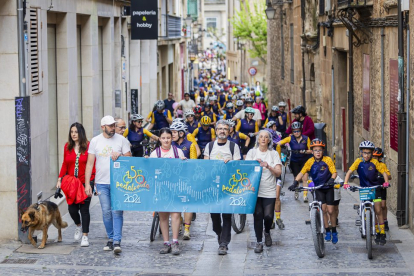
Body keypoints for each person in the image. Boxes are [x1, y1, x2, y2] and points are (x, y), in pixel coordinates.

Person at [84, 115, 132, 254]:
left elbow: (130, 158)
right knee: (106, 212)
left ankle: (117, 241)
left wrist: (120, 155)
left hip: (118, 182)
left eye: (114, 125)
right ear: (103, 127)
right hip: (101, 182)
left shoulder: (122, 140)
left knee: (117, 211)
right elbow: (90, 163)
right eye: (110, 126)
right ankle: (111, 238)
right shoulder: (95, 141)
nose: (113, 128)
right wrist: (88, 184)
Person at [288, 139, 339, 244]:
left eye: (320, 150)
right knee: (323, 210)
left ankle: (334, 230)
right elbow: (302, 173)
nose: (318, 152)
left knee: (330, 210)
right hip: (318, 188)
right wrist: (295, 182)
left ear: (323, 151)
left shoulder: (328, 160)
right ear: (312, 151)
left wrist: (331, 180)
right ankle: (327, 230)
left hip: (328, 188)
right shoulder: (310, 162)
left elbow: (334, 172)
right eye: (315, 150)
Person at [204, 120, 242, 255]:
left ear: (229, 131)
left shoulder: (233, 147)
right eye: (220, 128)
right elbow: (205, 165)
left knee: (226, 215)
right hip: (213, 186)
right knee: (215, 218)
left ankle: (224, 244)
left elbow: (238, 164)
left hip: (228, 186)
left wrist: (231, 163)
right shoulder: (209, 146)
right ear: (215, 130)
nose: (222, 131)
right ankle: (219, 233)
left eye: (225, 129)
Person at [343, 141, 390, 245]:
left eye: (369, 153)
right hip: (364, 190)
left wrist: (386, 182)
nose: (367, 155)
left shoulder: (375, 162)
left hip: (375, 189)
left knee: (378, 210)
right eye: (364, 153)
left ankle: (381, 232)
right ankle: (366, 225)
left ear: (372, 153)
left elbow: (383, 172)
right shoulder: (358, 161)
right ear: (361, 153)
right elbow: (350, 171)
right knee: (365, 208)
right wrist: (346, 182)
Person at [149, 128, 187, 255]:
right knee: (163, 216)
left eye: (168, 138)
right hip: (161, 188)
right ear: (159, 139)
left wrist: (184, 162)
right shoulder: (155, 153)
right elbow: (150, 170)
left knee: (176, 214)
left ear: (172, 138)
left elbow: (184, 170)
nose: (166, 140)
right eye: (163, 138)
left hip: (175, 187)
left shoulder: (178, 152)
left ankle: (175, 241)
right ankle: (166, 243)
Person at [57, 122, 95, 247]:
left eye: (76, 132)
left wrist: (90, 183)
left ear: (81, 133)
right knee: (72, 209)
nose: (73, 134)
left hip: (85, 182)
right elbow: (65, 164)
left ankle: (85, 236)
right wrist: (59, 179)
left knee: (84, 209)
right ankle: (78, 225)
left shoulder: (89, 146)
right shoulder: (67, 147)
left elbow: (92, 164)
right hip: (72, 184)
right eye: (72, 132)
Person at [245, 130, 282, 253]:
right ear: (258, 139)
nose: (263, 139)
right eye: (261, 137)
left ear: (269, 140)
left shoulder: (273, 154)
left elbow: (278, 172)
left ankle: (267, 231)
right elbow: (245, 170)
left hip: (269, 189)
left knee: (268, 216)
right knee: (258, 215)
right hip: (254, 190)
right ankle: (259, 241)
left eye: (266, 137)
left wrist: (268, 166)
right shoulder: (252, 152)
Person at [170, 122, 198, 240]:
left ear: (181, 133)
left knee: (187, 204)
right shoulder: (170, 144)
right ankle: (179, 222)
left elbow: (193, 162)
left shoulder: (190, 145)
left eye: (174, 132)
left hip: (186, 178)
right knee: (176, 203)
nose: (172, 135)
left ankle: (186, 229)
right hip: (173, 178)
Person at [277, 122, 312, 202]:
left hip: (304, 161)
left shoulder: (306, 138)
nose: (296, 133)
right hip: (294, 161)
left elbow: (311, 150)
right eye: (294, 131)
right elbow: (279, 144)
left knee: (305, 178)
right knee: (296, 178)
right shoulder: (290, 138)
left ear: (301, 130)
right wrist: (279, 155)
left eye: (298, 131)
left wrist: (305, 151)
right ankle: (296, 190)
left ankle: (305, 195)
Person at [372, 147, 392, 231]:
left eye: (376, 157)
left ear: (380, 158)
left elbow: (389, 176)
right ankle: (375, 222)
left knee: (383, 205)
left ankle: (385, 220)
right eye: (373, 157)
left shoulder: (382, 165)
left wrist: (384, 177)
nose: (374, 159)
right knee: (375, 206)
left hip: (382, 187)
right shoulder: (370, 164)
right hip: (373, 188)